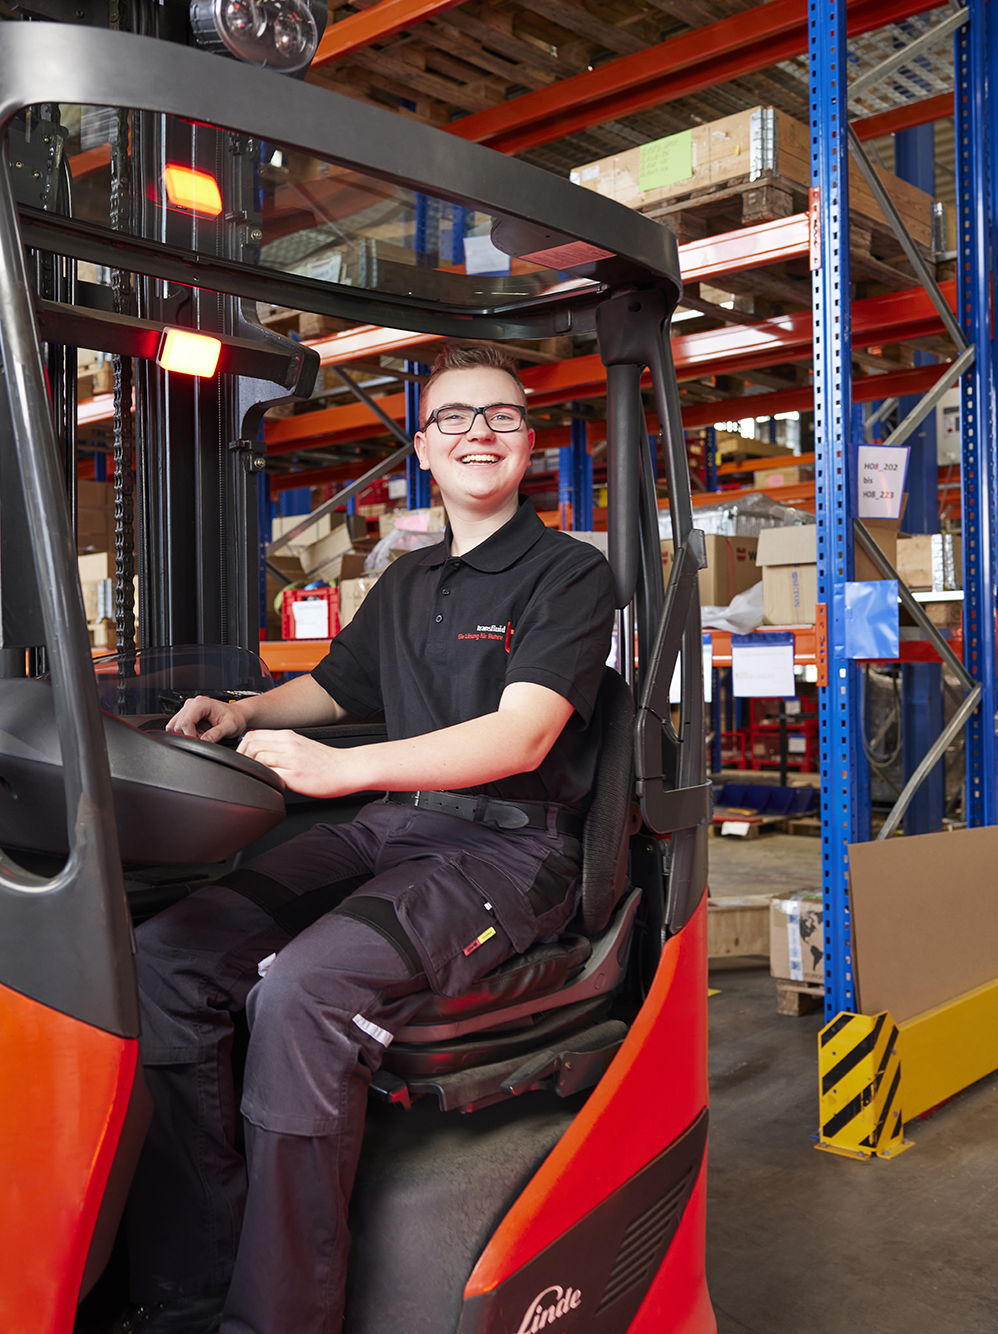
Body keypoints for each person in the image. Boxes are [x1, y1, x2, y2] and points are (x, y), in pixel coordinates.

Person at [116, 343, 618, 1334]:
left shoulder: (567, 574)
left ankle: (275, 1317)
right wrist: (243, 709)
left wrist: (342, 767)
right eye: (455, 419)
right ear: (422, 449)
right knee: (164, 954)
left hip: (508, 853)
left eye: (502, 416)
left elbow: (521, 735)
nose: (480, 432)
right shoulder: (407, 576)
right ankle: (183, 1280)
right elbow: (342, 686)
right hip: (391, 825)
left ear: (530, 441)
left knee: (304, 990)